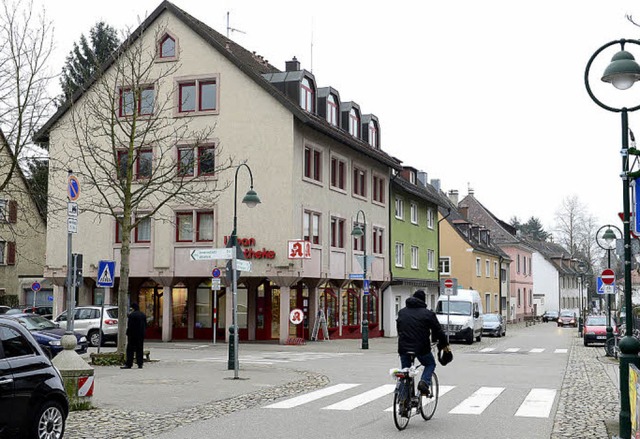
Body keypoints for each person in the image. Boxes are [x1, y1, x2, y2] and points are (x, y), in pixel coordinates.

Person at [396, 290, 449, 396]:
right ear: (423, 301)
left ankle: (403, 401)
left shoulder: (402, 312)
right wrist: (444, 345)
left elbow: (399, 328)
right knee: (430, 363)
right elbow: (438, 331)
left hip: (404, 347)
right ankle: (424, 382)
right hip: (421, 348)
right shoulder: (428, 314)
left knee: (405, 372)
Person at [121, 302, 147, 369]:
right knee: (140, 349)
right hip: (141, 335)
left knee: (130, 350)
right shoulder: (143, 315)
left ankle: (129, 364)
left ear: (133, 308)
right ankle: (140, 364)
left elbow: (130, 326)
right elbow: (145, 325)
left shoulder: (132, 315)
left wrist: (128, 333)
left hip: (132, 335)